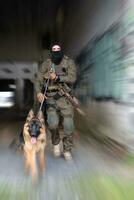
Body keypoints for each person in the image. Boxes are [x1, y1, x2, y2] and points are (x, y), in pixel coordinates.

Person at [35, 44, 77, 160]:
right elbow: (38, 80)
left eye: (58, 49)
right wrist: (39, 92)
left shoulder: (69, 62)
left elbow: (72, 78)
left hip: (65, 98)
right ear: (51, 51)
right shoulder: (46, 64)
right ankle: (56, 142)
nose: (56, 51)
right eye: (54, 50)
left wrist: (58, 78)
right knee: (52, 123)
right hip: (51, 97)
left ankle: (67, 149)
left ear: (61, 51)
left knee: (68, 125)